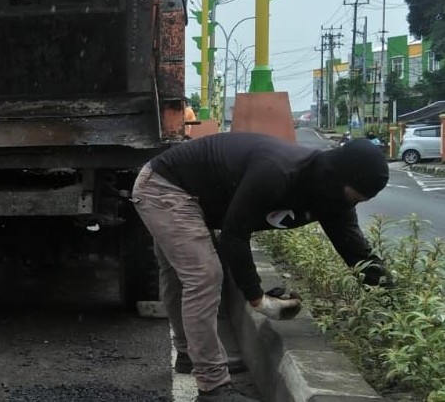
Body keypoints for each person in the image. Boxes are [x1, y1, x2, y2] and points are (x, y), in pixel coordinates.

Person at [131, 133, 391, 402]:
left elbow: (357, 253)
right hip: (164, 187)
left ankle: (191, 355)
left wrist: (393, 302)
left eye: (360, 200)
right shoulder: (279, 171)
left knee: (181, 275)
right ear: (335, 177)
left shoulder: (334, 198)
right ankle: (213, 387)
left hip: (192, 195)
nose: (352, 204)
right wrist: (259, 300)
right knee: (204, 275)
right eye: (353, 196)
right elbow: (234, 234)